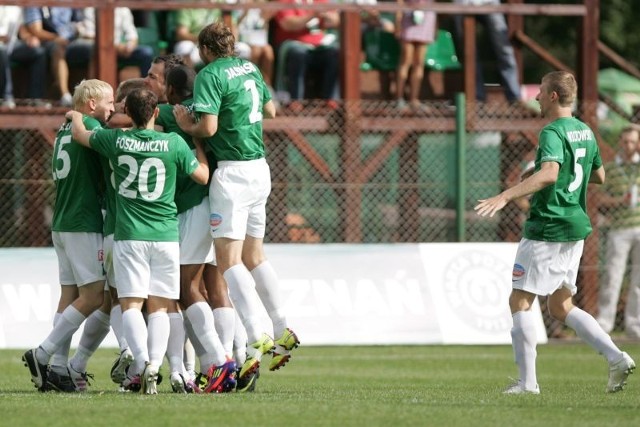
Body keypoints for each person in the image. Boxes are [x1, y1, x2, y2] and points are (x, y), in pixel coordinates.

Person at [474, 71, 635, 394]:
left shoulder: (552, 131)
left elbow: (548, 174)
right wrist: (562, 173)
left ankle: (528, 383)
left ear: (551, 96)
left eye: (540, 92)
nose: (535, 98)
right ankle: (616, 357)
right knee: (560, 306)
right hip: (575, 225)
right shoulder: (585, 131)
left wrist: (506, 195)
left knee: (520, 299)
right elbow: (599, 175)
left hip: (548, 224)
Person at [68, 87, 237, 394]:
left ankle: (143, 362)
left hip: (129, 235)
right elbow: (202, 175)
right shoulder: (173, 143)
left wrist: (74, 114)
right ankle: (160, 367)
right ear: (156, 112)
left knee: (130, 304)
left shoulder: (116, 139)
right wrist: (198, 144)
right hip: (166, 237)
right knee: (162, 306)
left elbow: (80, 135)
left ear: (127, 114)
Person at [174, 22, 300, 383]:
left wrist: (187, 124)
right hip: (260, 167)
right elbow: (272, 111)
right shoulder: (251, 67)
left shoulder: (209, 74)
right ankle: (282, 328)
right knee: (255, 257)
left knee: (229, 264)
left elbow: (209, 129)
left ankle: (256, 336)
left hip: (231, 173)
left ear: (204, 49)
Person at [22, 79, 114, 393]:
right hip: (83, 220)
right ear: (91, 103)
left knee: (69, 294)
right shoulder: (88, 126)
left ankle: (58, 369)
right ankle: (43, 353)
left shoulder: (67, 127)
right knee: (94, 296)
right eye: (109, 102)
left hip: (63, 221)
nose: (113, 109)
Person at [156, 64, 232, 393]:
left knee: (186, 288)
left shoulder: (169, 112)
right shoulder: (209, 109)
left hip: (191, 206)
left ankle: (220, 362)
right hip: (218, 201)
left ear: (171, 90)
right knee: (215, 288)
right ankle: (228, 359)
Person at [596, 126, 640, 339]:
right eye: (625, 141)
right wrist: (618, 201)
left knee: (638, 280)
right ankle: (605, 323)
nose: (628, 145)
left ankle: (635, 326)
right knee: (612, 275)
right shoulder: (612, 168)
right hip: (620, 228)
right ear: (620, 143)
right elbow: (600, 199)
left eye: (633, 141)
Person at [272, 0, 340, 108]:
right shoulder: (285, 1)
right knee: (299, 53)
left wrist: (327, 16)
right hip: (293, 44)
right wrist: (312, 14)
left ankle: (331, 99)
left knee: (334, 53)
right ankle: (295, 100)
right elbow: (288, 24)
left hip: (320, 45)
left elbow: (337, 21)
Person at [453, 0, 521, 103]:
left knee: (504, 49)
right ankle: (477, 98)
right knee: (469, 55)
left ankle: (515, 97)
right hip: (462, 5)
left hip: (490, 3)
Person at [20, 6, 83, 106]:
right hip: (48, 42)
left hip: (73, 40)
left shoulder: (69, 3)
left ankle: (93, 96)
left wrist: (77, 31)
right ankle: (65, 96)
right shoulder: (36, 3)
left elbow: (79, 23)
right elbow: (36, 30)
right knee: (58, 49)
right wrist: (57, 38)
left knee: (94, 49)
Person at [71, 7, 154, 79]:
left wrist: (129, 47)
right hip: (97, 46)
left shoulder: (123, 9)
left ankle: (147, 91)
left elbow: (132, 35)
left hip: (119, 49)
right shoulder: (91, 8)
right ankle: (95, 91)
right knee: (96, 49)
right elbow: (90, 35)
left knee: (146, 52)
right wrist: (115, 47)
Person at [394, 0, 436, 113]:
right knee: (406, 60)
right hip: (408, 19)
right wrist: (398, 22)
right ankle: (399, 99)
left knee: (419, 62)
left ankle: (414, 100)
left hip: (426, 18)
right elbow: (400, 2)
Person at [0, 6, 21, 108]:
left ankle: (36, 99)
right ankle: (7, 96)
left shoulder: (16, 6)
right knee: (2, 50)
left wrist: (29, 38)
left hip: (13, 44)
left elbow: (22, 28)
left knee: (38, 52)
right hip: (2, 46)